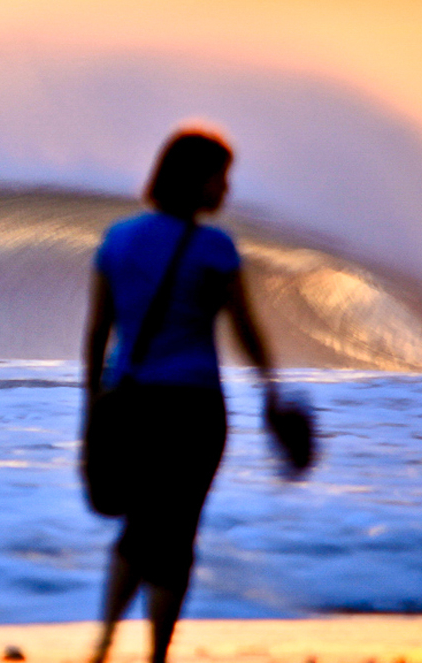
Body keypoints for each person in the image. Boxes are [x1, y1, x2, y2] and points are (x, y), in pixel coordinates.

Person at [83, 128, 278, 663]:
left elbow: (98, 332)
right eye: (221, 176)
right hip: (192, 410)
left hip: (129, 405)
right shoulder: (216, 247)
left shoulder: (117, 239)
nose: (227, 189)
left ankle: (103, 641)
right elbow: (245, 328)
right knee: (177, 530)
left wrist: (92, 409)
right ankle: (157, 656)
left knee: (140, 523)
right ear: (196, 180)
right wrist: (270, 388)